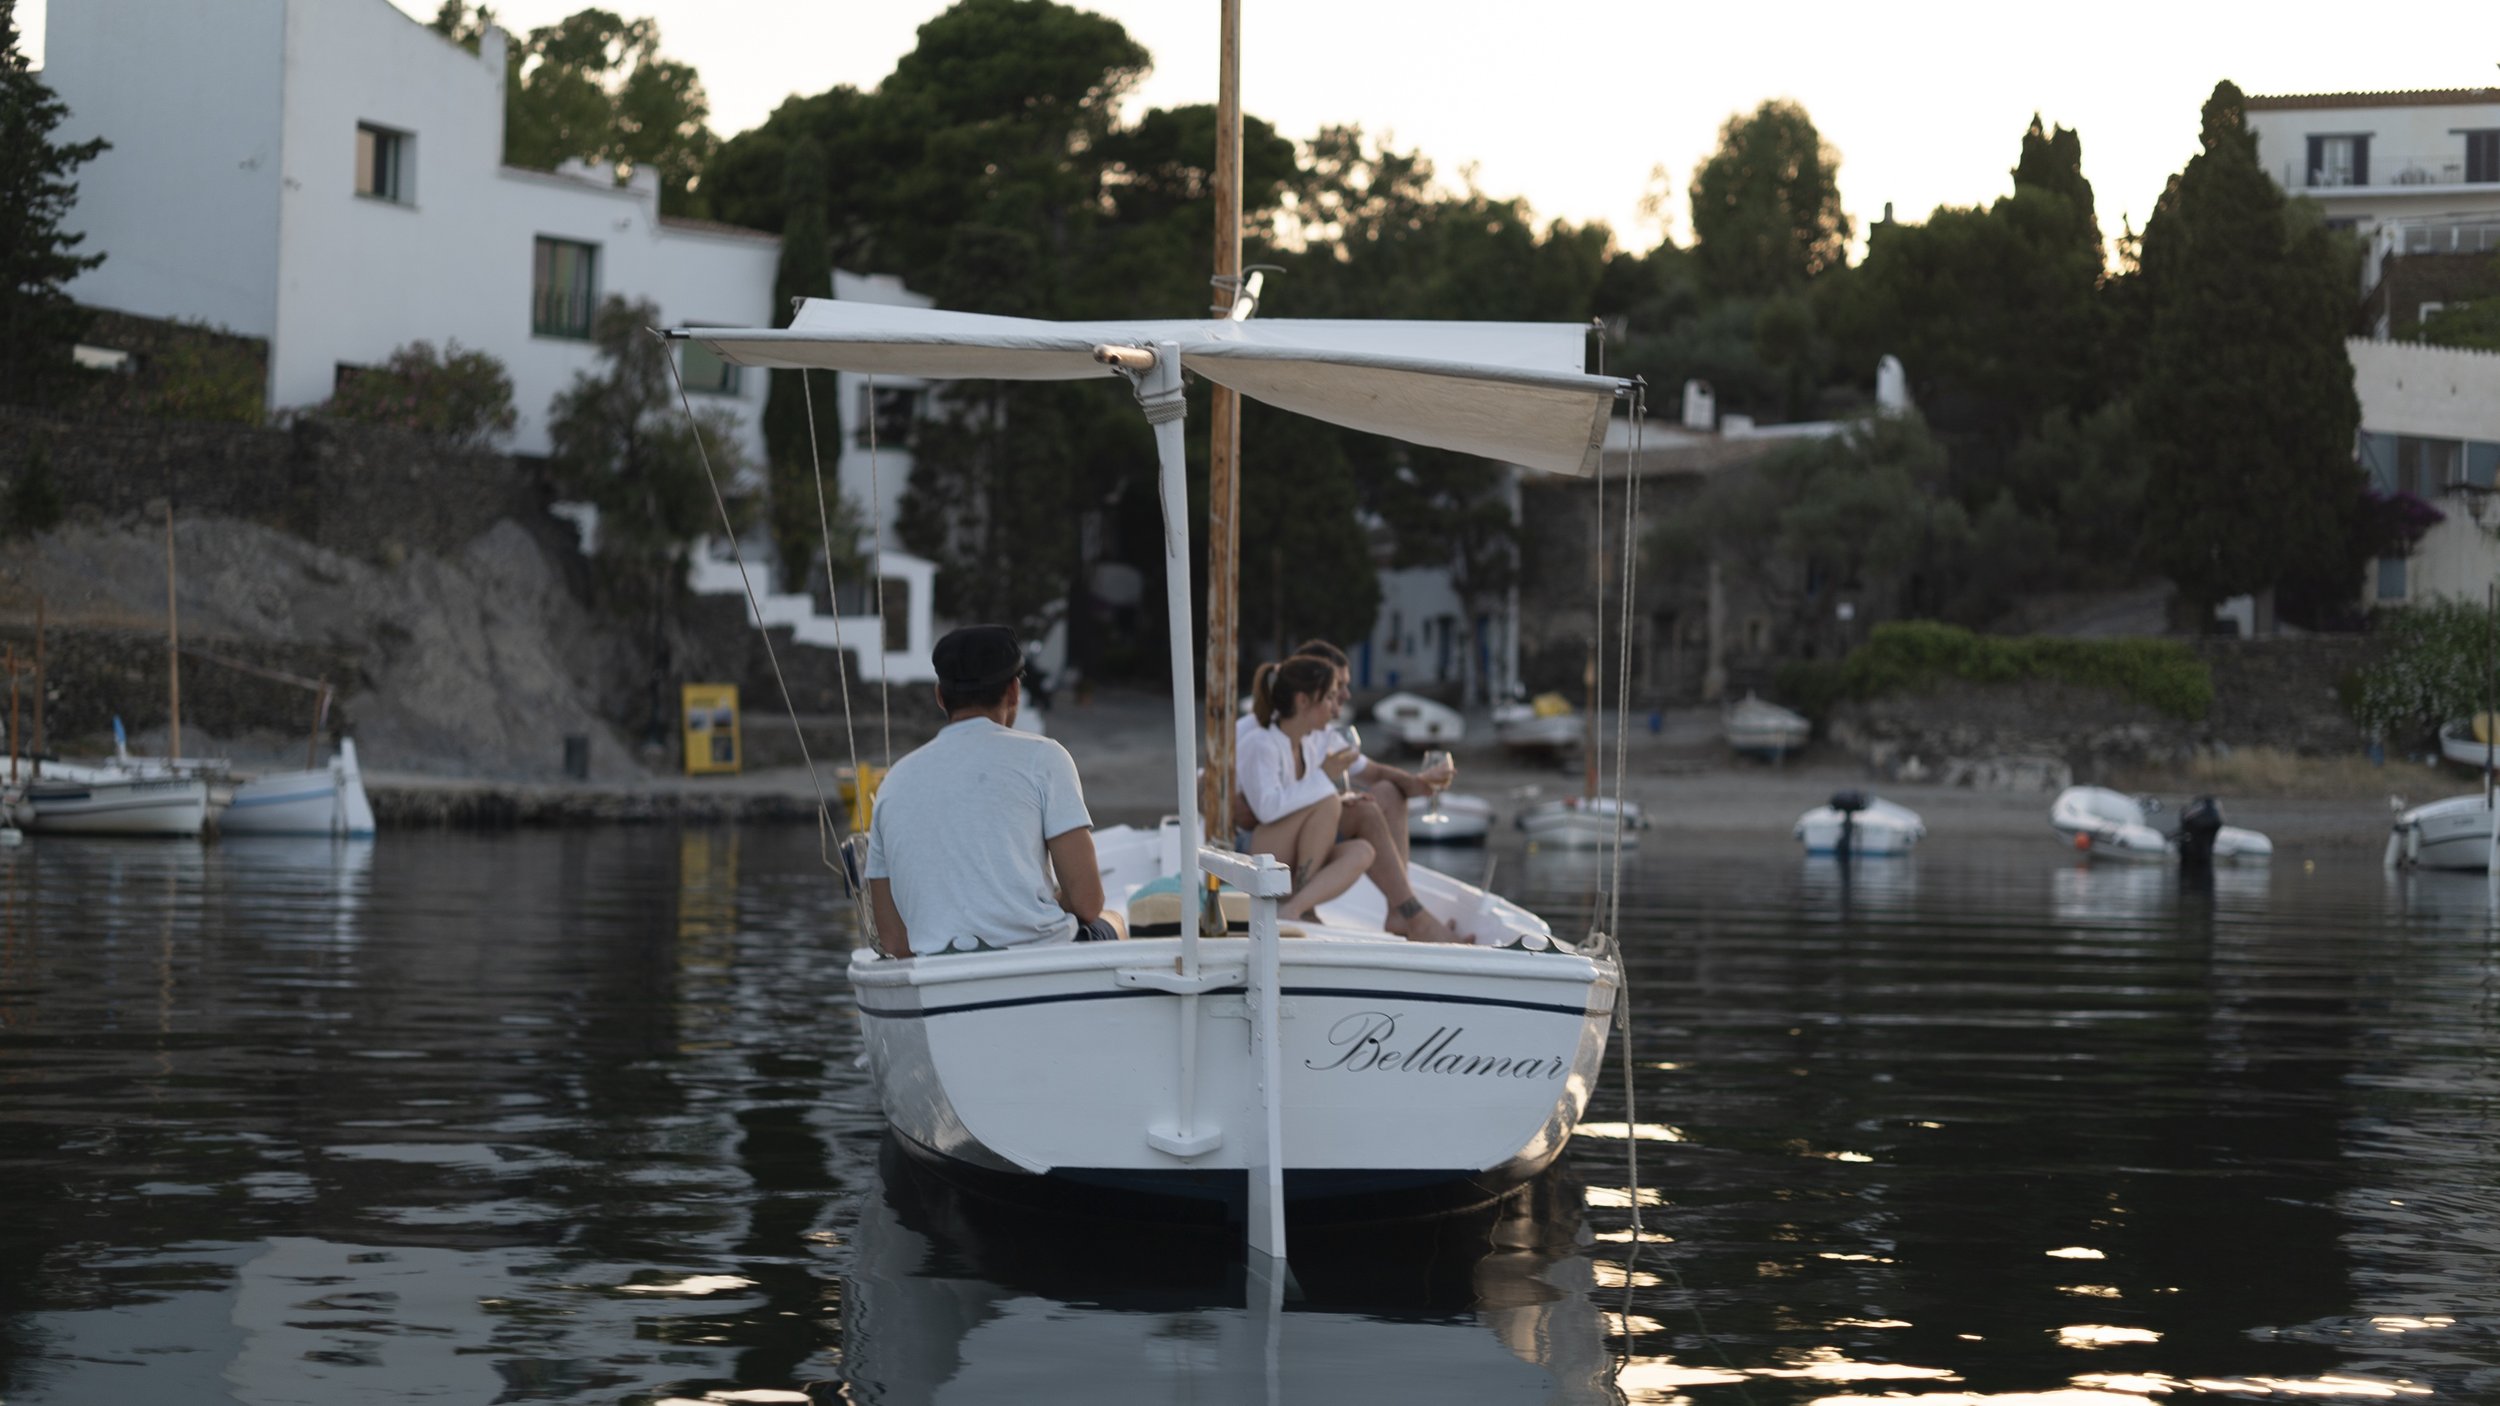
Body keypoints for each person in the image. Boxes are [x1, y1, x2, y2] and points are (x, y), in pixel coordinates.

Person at [864, 625, 1118, 957]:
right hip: (1039, 963)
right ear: (1014, 691)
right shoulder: (1044, 758)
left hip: (942, 978)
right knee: (1114, 920)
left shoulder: (893, 782)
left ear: (940, 696)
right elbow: (1087, 902)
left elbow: (895, 942)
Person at [1237, 657, 1463, 941]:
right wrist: (1324, 779)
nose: (1336, 707)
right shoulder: (1260, 742)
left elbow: (1371, 770)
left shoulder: (1316, 739)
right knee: (1331, 802)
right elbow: (1268, 809)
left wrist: (1420, 783)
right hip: (1260, 852)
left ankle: (1298, 908)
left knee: (1363, 850)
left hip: (1295, 851)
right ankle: (1409, 918)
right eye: (1330, 697)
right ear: (1303, 701)